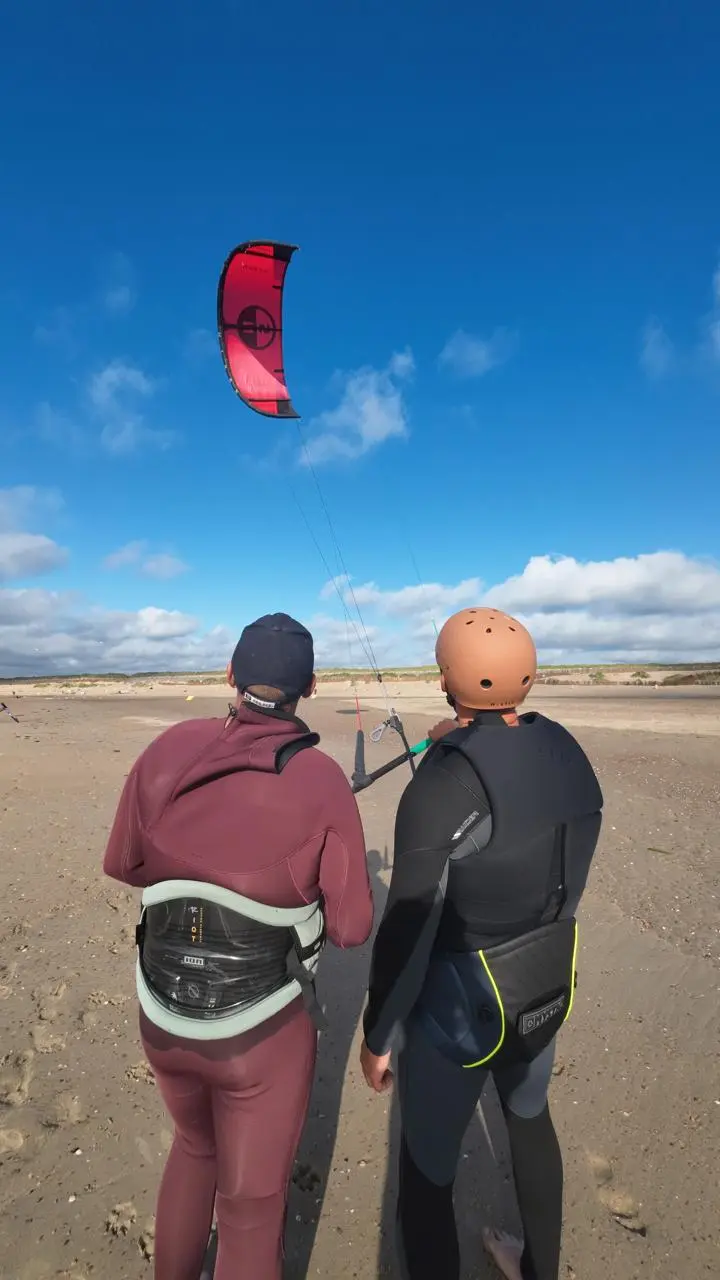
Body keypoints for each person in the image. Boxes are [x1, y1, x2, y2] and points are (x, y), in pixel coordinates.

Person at [103, 613, 373, 1280]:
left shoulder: (166, 749)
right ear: (310, 687)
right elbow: (351, 928)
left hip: (160, 1012)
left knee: (194, 1149)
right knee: (250, 1206)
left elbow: (124, 864)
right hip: (261, 1031)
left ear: (229, 674)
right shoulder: (321, 778)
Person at [359, 607, 604, 1280]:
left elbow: (409, 924)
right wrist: (459, 739)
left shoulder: (441, 785)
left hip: (459, 1014)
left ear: (445, 680)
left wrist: (378, 1033)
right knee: (530, 1118)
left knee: (426, 1175)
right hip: (547, 980)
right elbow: (511, 769)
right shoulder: (568, 751)